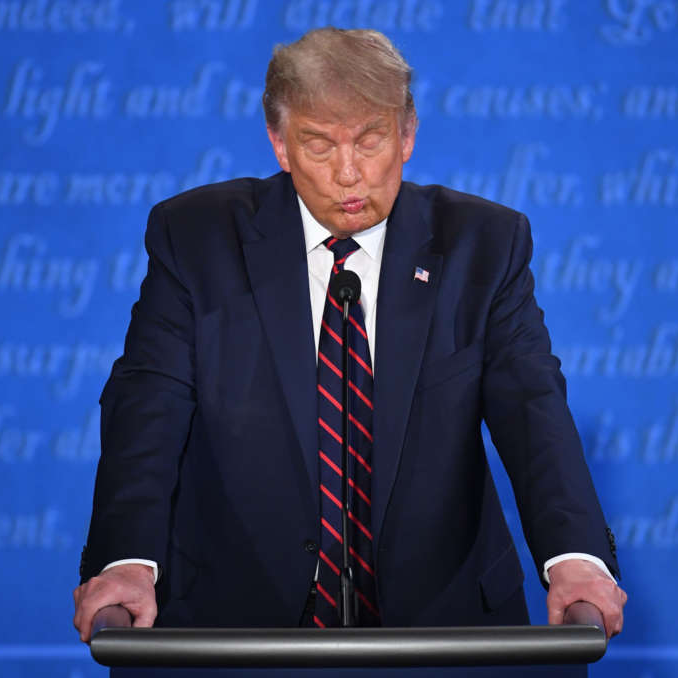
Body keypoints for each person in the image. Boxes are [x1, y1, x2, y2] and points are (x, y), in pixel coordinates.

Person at [72, 27, 626, 639]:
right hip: (238, 627)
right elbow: (150, 405)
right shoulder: (196, 239)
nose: (347, 173)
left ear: (408, 134)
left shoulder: (483, 247)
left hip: (443, 629)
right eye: (318, 145)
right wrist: (125, 560)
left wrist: (575, 558)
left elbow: (533, 409)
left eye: (370, 141)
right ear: (279, 144)